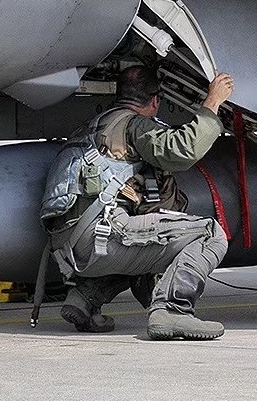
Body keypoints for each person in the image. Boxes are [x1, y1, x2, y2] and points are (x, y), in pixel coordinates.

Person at [43, 65, 234, 340]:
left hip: (69, 246)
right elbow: (181, 151)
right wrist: (212, 103)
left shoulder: (93, 126)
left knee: (143, 243)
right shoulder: (134, 125)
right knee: (210, 234)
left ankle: (85, 297)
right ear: (155, 100)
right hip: (99, 237)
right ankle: (172, 310)